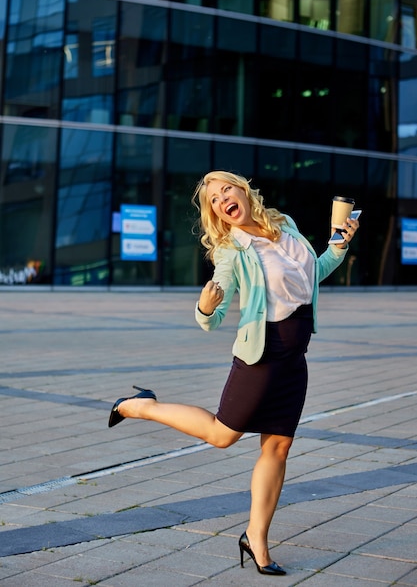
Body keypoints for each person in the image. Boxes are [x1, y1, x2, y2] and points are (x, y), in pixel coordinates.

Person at [108, 170, 360, 576]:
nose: (222, 197)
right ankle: (141, 406)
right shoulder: (230, 249)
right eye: (213, 199)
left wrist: (339, 245)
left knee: (277, 448)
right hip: (262, 354)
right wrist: (207, 305)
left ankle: (256, 539)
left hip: (296, 357)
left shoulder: (284, 224)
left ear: (243, 190)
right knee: (222, 435)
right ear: (218, 214)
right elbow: (215, 311)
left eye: (226, 188)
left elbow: (313, 274)